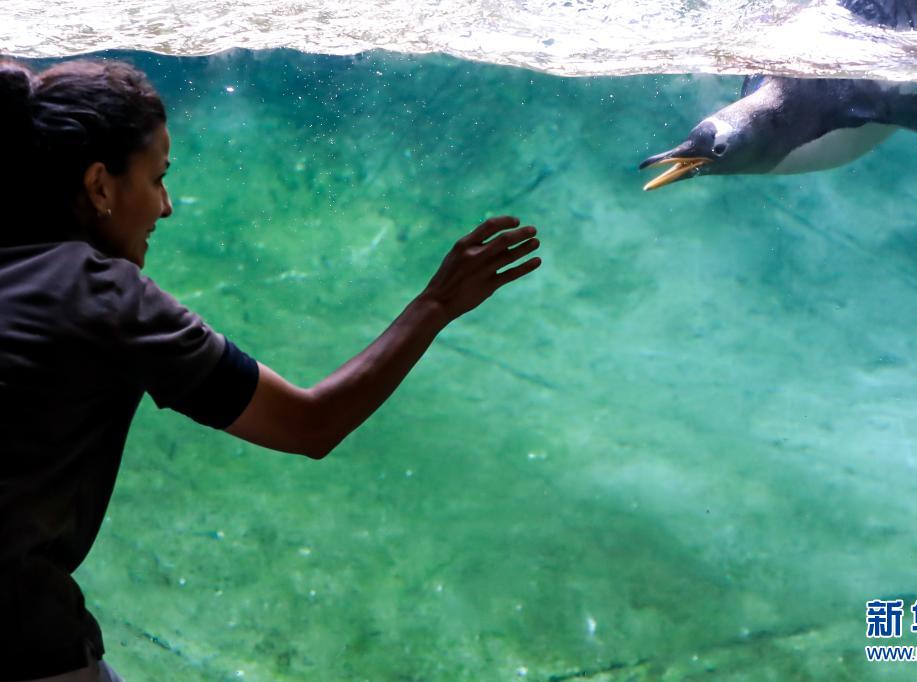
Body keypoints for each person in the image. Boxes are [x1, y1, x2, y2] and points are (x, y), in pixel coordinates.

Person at [0, 58, 542, 682]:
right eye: (157, 178)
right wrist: (437, 304)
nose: (166, 206)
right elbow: (311, 424)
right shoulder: (104, 296)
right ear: (100, 186)